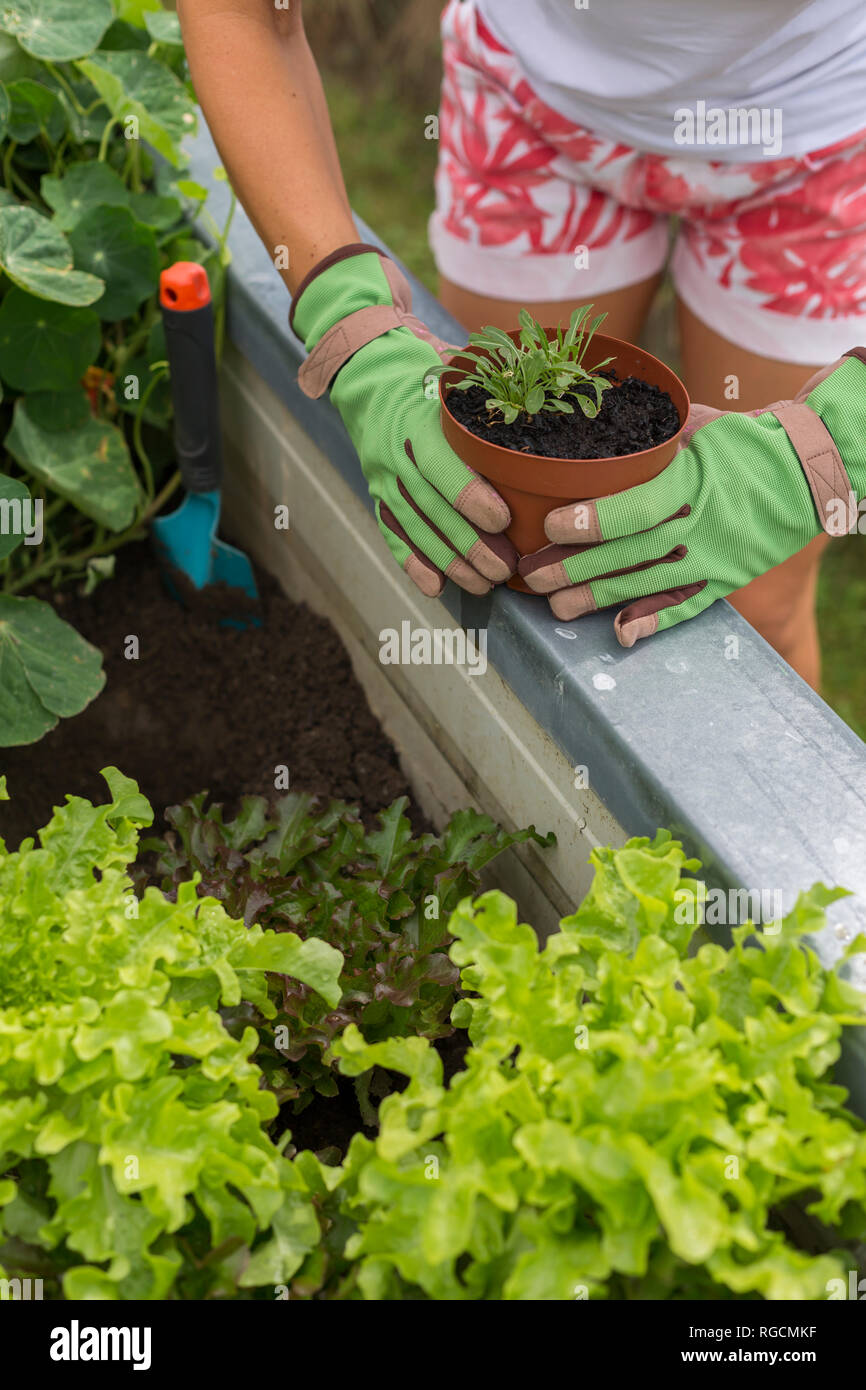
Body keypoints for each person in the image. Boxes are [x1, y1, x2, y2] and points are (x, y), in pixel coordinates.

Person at [177, 0, 866, 688]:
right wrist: (352, 325)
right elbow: (244, 15)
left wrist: (828, 448)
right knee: (509, 534)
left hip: (823, 133)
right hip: (536, 102)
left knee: (760, 608)